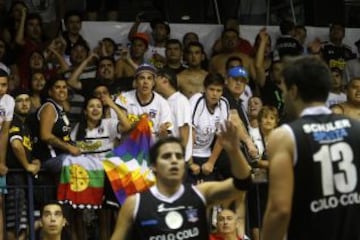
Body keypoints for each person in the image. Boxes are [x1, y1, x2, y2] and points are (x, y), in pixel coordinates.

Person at [262, 56, 360, 240]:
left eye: (283, 90)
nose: (283, 96)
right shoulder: (356, 128)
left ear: (293, 91)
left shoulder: (285, 136)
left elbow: (280, 210)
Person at [110, 119, 253, 240]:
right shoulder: (134, 204)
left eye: (178, 157)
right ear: (153, 166)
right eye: (166, 157)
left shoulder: (201, 193)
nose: (174, 161)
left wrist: (234, 152)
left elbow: (243, 183)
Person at [6, 89, 41, 240]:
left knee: (23, 224)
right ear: (13, 104)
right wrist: (27, 165)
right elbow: (15, 144)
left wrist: (34, 161)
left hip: (22, 179)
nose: (25, 103)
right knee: (14, 224)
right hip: (14, 179)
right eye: (20, 100)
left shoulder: (26, 124)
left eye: (27, 100)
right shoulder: (13, 121)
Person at [0, 69, 15, 240]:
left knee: (0, 203)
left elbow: (4, 133)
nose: (1, 89)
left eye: (4, 85)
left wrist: (1, 162)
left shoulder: (9, 101)